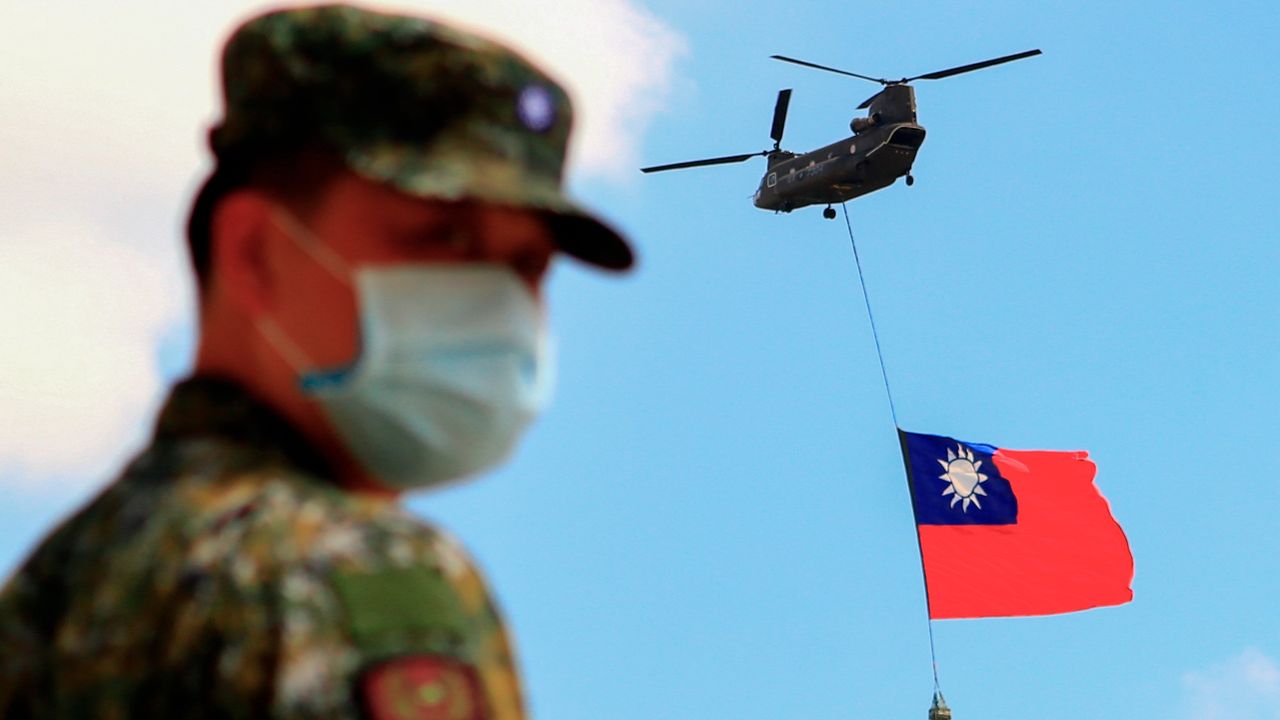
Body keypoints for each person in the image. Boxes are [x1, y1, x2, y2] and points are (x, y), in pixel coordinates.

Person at [0, 5, 632, 718]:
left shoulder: (61, 585)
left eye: (527, 265)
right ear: (254, 256)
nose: (497, 300)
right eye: (443, 235)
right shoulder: (366, 576)